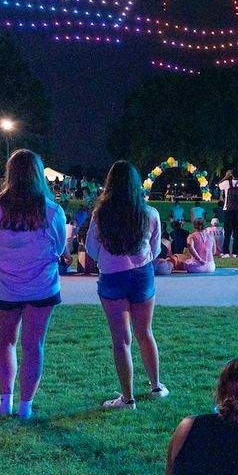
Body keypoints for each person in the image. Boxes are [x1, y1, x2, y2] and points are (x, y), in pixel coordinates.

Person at [0, 150, 67, 419]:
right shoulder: (51, 210)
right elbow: (60, 246)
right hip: (42, 286)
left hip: (5, 286)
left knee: (4, 342)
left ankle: (5, 402)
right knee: (34, 346)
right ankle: (25, 407)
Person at [86, 161, 168, 409]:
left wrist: (110, 260)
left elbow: (91, 249)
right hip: (142, 275)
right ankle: (155, 386)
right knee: (145, 332)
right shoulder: (150, 214)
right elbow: (154, 250)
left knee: (121, 339)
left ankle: (128, 398)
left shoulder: (101, 215)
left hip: (112, 276)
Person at [216, 169, 238, 257]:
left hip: (228, 209)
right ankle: (235, 252)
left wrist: (226, 176)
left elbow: (218, 185)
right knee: (237, 232)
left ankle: (226, 252)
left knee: (227, 231)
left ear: (231, 175)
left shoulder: (226, 183)